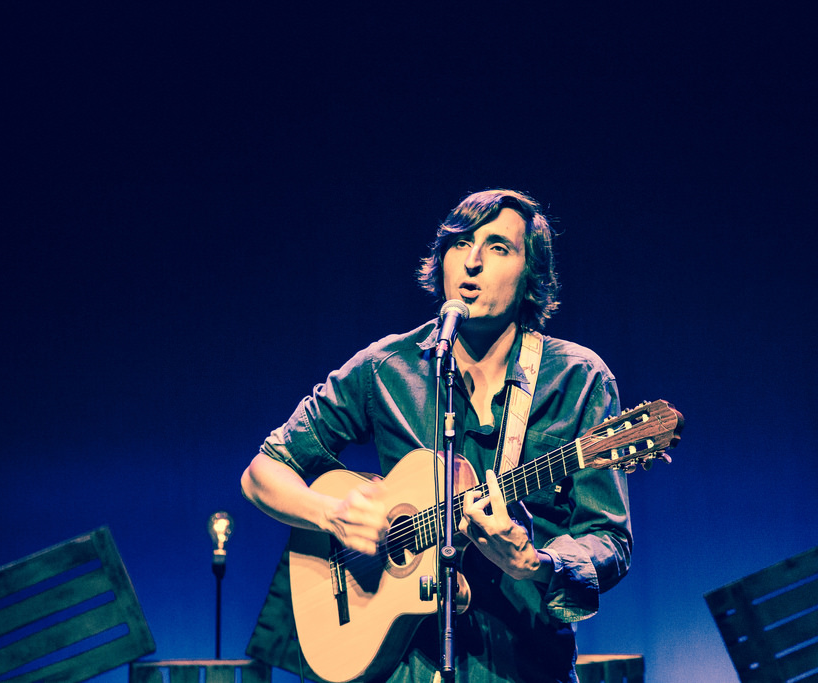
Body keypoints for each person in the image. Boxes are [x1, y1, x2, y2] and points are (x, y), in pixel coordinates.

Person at [241, 189, 633, 683]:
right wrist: (333, 514)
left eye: (497, 247)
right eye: (459, 243)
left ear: (530, 274)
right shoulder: (387, 368)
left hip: (525, 665)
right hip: (403, 668)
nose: (472, 262)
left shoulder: (578, 379)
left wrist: (536, 563)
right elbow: (262, 473)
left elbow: (610, 540)